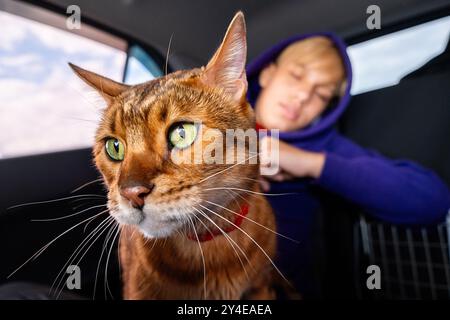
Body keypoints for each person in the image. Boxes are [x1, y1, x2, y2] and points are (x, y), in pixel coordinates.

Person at [246, 33, 450, 297]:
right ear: (267, 74)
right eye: (296, 76)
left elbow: (431, 200)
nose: (302, 96)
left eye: (321, 94)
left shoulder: (324, 146)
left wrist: (309, 164)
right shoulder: (217, 119)